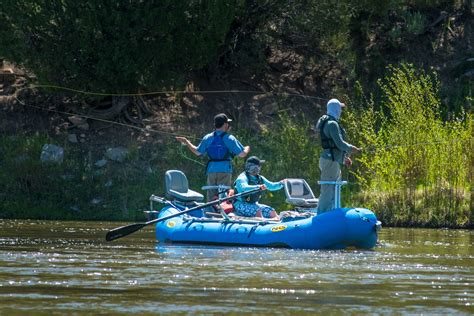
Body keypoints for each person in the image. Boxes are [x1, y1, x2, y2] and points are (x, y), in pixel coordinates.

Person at [176, 113, 250, 201]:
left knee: (211, 195)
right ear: (225, 124)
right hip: (225, 170)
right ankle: (221, 213)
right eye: (227, 123)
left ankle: (209, 213)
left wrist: (186, 141)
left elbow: (197, 152)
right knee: (223, 195)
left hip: (211, 170)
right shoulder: (230, 138)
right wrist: (247, 148)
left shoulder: (207, 137)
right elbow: (242, 154)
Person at [315, 98, 361, 212]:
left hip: (330, 160)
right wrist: (352, 149)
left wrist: (344, 158)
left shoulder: (329, 122)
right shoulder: (332, 124)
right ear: (335, 109)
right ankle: (322, 216)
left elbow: (333, 146)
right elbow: (340, 144)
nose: (341, 111)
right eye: (340, 108)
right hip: (330, 162)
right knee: (328, 190)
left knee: (333, 188)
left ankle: (330, 213)